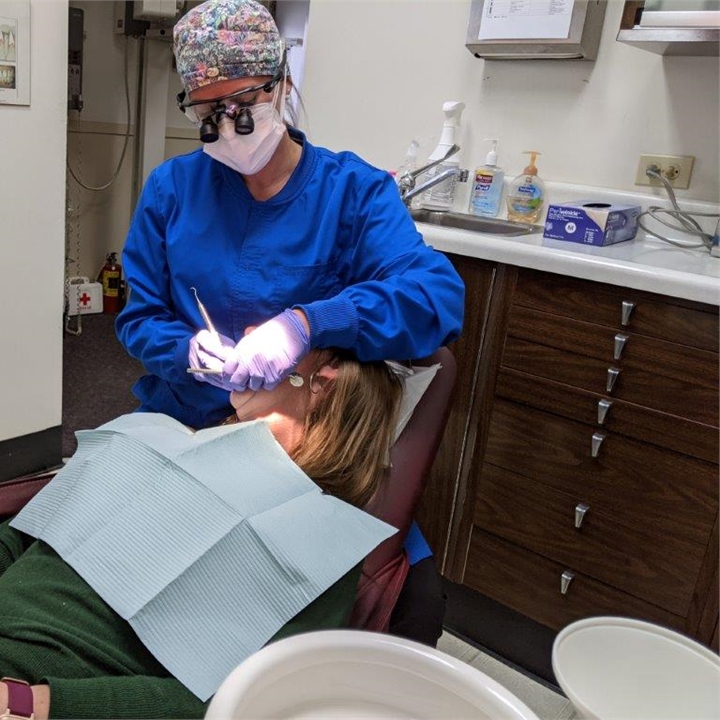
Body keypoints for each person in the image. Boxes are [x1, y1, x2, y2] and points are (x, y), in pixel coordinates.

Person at [0, 349, 403, 720]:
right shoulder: (159, 444)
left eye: (278, 354)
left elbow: (226, 704)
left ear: (323, 385)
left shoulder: (319, 546)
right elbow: (20, 539)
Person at [115, 0, 462, 647]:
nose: (230, 125)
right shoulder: (172, 190)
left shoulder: (352, 194)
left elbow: (435, 299)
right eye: (207, 111)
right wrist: (185, 352)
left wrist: (309, 322)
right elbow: (139, 318)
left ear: (282, 83)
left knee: (410, 603)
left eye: (244, 101)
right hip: (186, 429)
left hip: (305, 457)